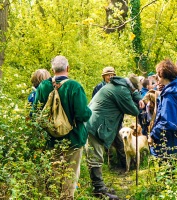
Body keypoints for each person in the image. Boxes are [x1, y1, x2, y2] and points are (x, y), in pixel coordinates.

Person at [33, 55, 92, 199]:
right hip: (73, 139)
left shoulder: (43, 86)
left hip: (50, 140)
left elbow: (35, 112)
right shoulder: (74, 86)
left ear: (52, 70)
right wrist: (89, 110)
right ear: (68, 68)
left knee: (53, 176)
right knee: (70, 176)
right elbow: (82, 114)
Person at [85, 74, 142, 199]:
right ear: (130, 87)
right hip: (96, 124)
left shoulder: (118, 85)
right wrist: (139, 102)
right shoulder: (121, 91)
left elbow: (133, 95)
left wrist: (138, 97)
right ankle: (99, 190)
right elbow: (134, 111)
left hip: (94, 121)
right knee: (96, 157)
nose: (133, 92)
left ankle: (100, 187)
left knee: (96, 156)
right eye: (133, 90)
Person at [139, 59, 177, 158]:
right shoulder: (176, 88)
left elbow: (168, 122)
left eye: (157, 74)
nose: (156, 76)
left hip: (167, 143)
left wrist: (153, 135)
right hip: (172, 140)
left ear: (162, 75)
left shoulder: (170, 96)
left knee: (167, 170)